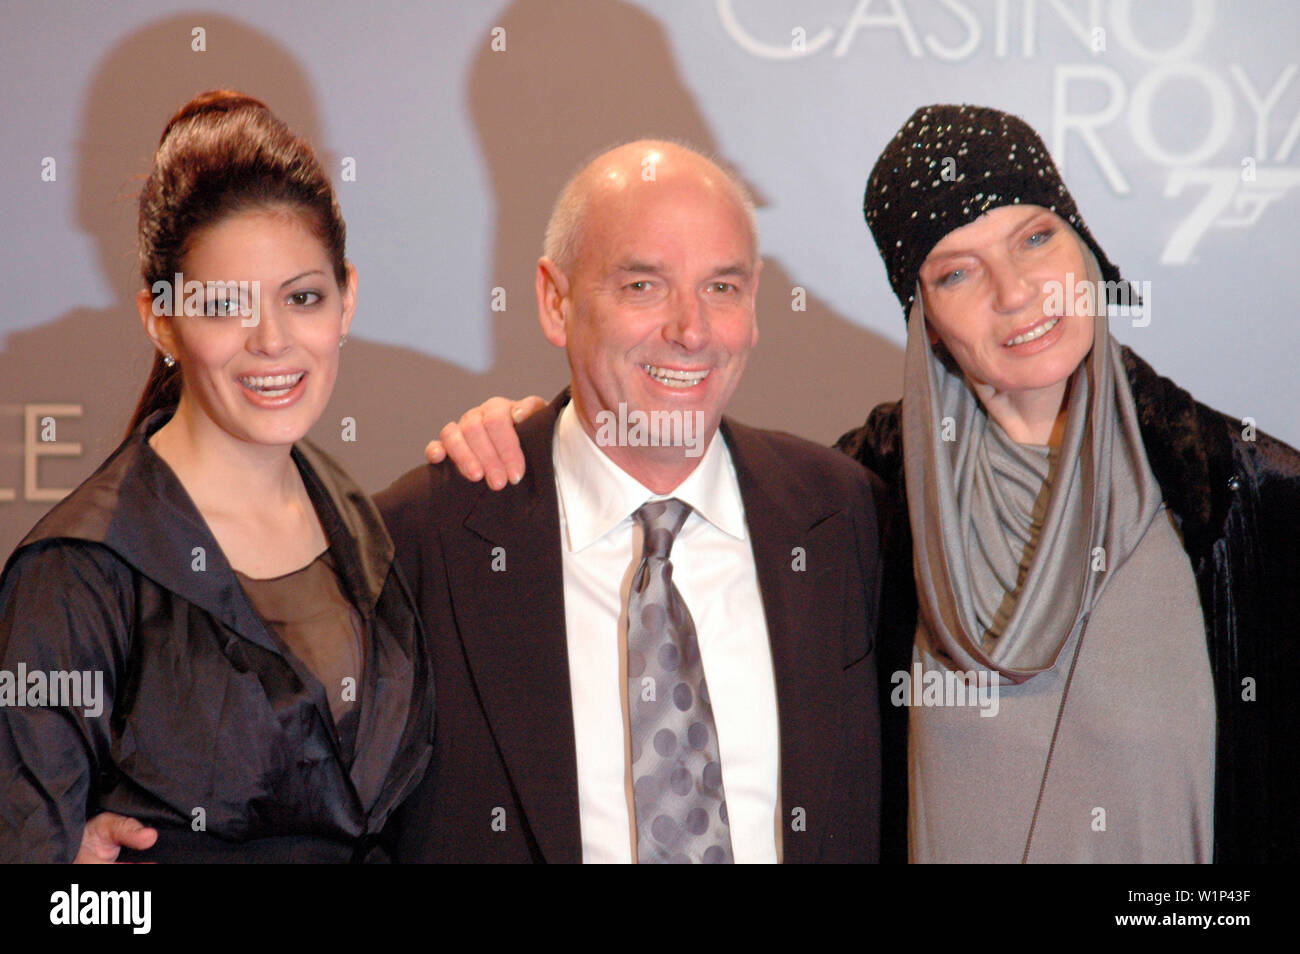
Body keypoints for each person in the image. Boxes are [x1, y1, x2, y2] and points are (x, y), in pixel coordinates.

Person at [431, 105, 1300, 863]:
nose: (1016, 292)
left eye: (1036, 237)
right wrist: (534, 439)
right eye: (956, 271)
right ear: (921, 313)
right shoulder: (861, 501)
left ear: (1084, 246)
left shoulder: (1246, 499)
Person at [378, 140, 882, 862]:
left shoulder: (847, 519)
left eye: (723, 287)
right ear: (556, 302)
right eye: (643, 286)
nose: (692, 330)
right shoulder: (419, 544)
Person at [0, 91, 433, 863]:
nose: (272, 341)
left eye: (303, 298)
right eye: (224, 305)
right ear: (160, 320)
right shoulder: (79, 574)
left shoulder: (372, 532)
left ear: (347, 299)